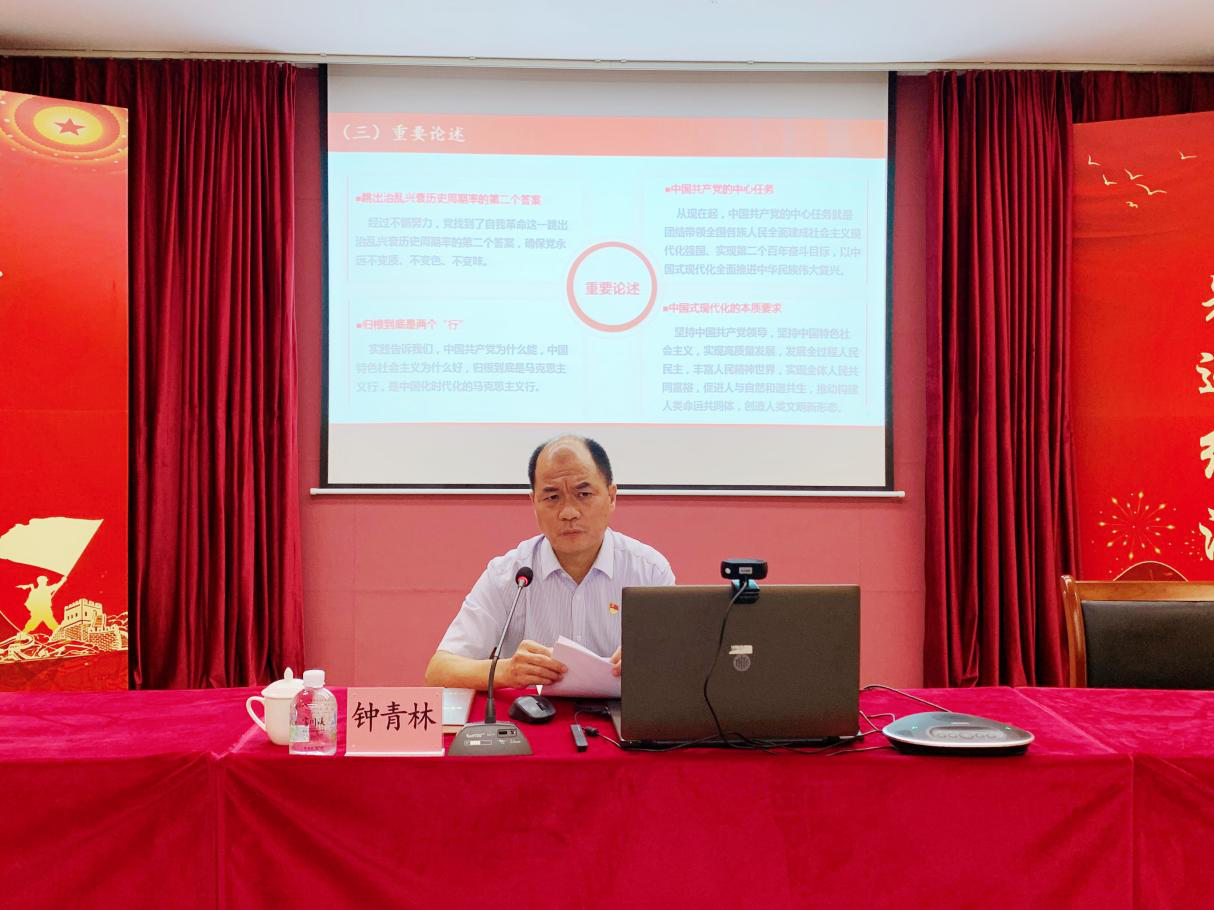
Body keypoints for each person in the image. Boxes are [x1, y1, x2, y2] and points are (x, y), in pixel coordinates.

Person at [424, 435, 675, 690]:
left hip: (624, 713)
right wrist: (506, 671)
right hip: (535, 713)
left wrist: (653, 662)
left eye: (584, 494)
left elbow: (681, 666)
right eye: (552, 497)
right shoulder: (510, 575)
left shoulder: (649, 572)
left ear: (611, 497)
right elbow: (439, 670)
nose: (569, 512)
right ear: (534, 503)